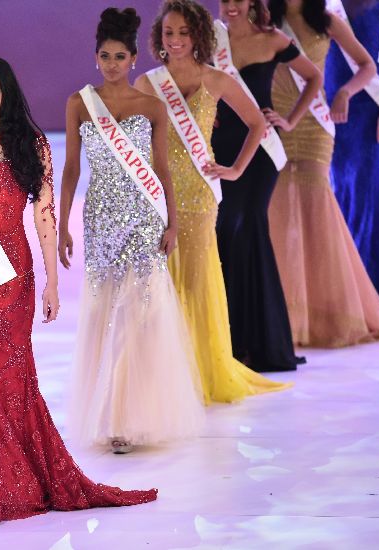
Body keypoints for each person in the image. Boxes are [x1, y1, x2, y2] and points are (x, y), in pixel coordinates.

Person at [0, 56, 158, 532]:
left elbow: (44, 218)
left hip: (12, 279)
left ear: (7, 94)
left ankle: (17, 481)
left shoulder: (31, 147)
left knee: (9, 381)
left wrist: (52, 280)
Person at [59, 7, 204, 453]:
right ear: (96, 56)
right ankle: (110, 416)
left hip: (144, 220)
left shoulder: (152, 108)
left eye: (120, 56)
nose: (112, 64)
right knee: (107, 313)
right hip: (101, 220)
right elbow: (70, 169)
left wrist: (174, 223)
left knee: (139, 315)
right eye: (105, 56)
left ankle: (135, 416)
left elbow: (162, 172)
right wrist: (62, 223)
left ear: (135, 58)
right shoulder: (80, 103)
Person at [134, 0, 291, 403]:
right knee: (162, 285)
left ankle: (202, 370)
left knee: (200, 280)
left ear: (199, 35)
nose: (176, 40)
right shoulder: (146, 83)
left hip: (202, 196)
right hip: (159, 197)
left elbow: (257, 123)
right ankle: (166, 377)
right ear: (159, 37)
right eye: (169, 32)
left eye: (184, 32)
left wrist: (236, 169)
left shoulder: (216, 79)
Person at [267, 0, 379, 346]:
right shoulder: (267, 21)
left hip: (335, 119)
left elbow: (374, 65)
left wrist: (358, 96)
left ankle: (344, 303)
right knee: (281, 211)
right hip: (289, 119)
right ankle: (288, 310)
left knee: (335, 208)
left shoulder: (333, 17)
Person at [210, 0, 321, 372]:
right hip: (219, 146)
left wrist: (289, 120)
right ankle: (225, 341)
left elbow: (314, 77)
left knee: (249, 227)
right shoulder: (210, 39)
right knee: (224, 230)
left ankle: (263, 343)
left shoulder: (273, 40)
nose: (231, 6)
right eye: (226, 0)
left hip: (260, 150)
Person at [325, 0, 379, 308]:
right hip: (329, 110)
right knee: (338, 196)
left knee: (368, 196)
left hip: (371, 113)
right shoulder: (324, 6)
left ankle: (370, 290)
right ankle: (342, 284)